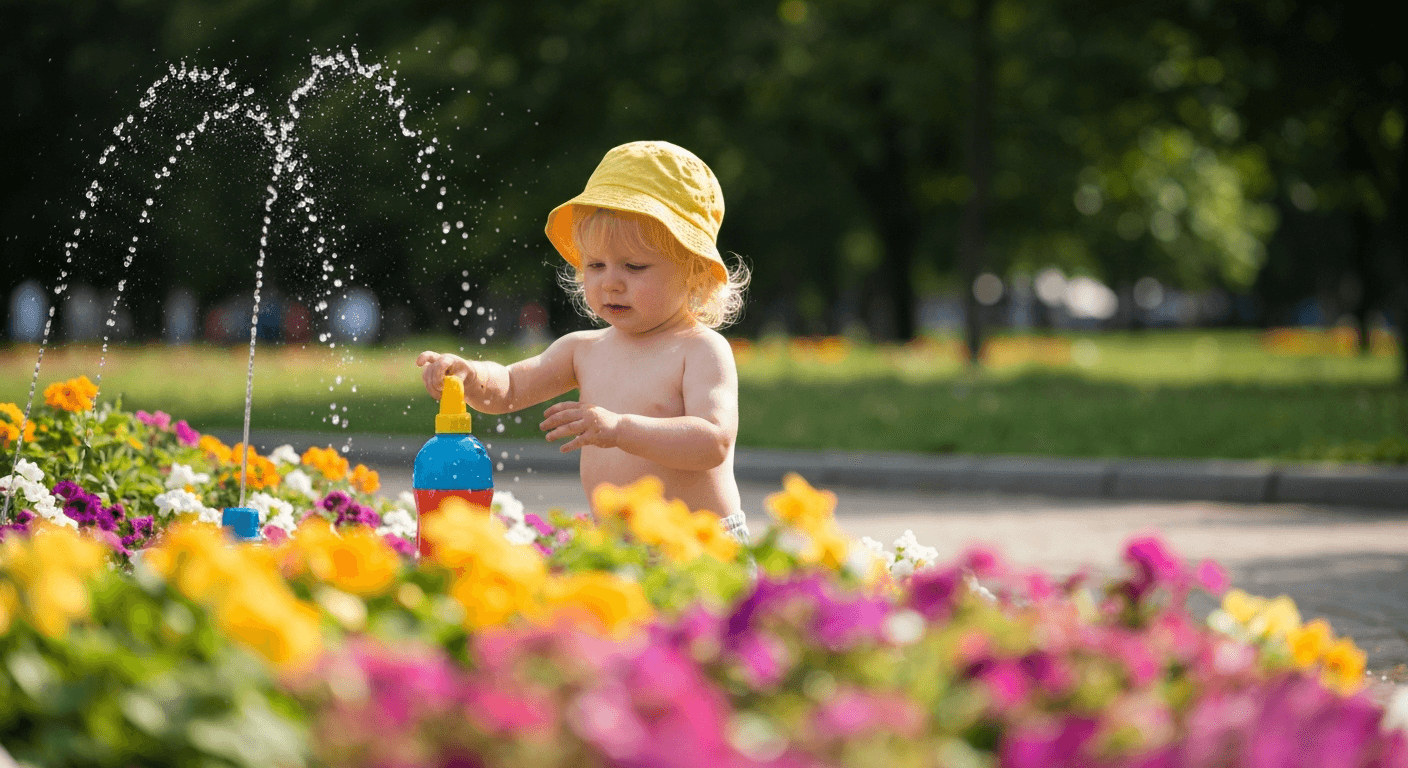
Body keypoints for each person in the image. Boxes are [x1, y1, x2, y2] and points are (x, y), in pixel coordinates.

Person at [416, 141, 751, 542]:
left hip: (699, 544)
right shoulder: (583, 350)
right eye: (595, 264)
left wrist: (620, 428)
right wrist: (472, 376)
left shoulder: (698, 350)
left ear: (694, 272)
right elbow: (510, 387)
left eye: (634, 266)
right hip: (615, 545)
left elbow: (712, 442)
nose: (611, 281)